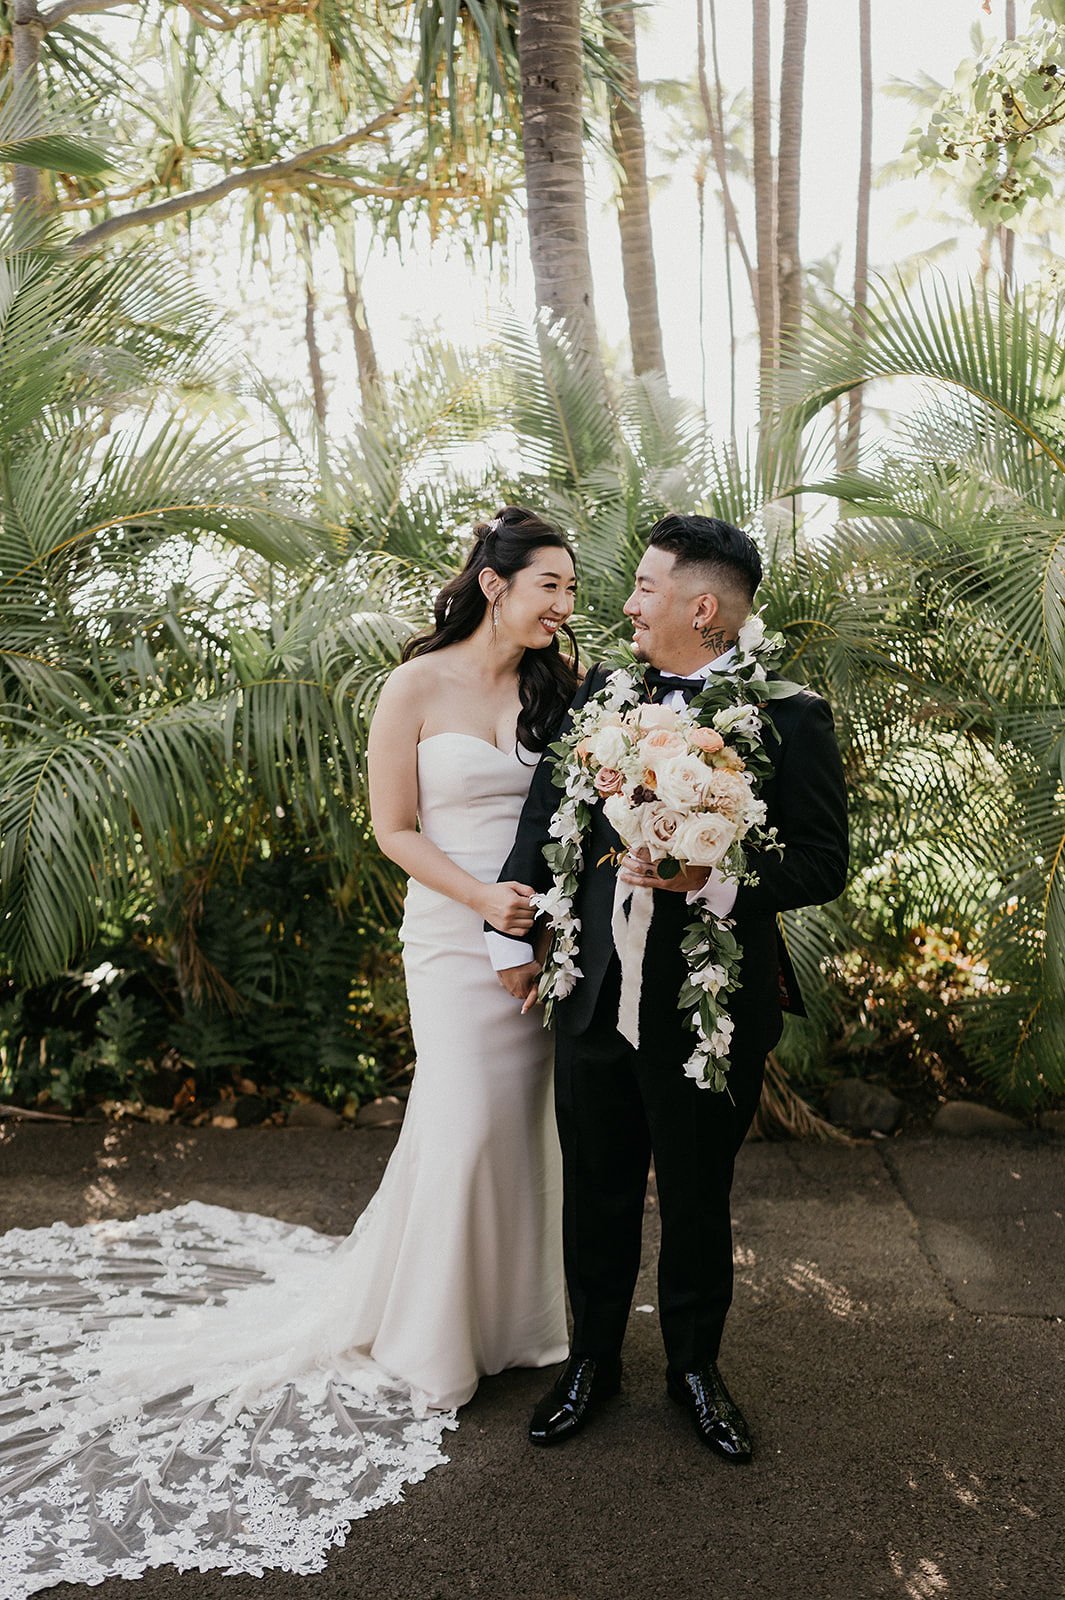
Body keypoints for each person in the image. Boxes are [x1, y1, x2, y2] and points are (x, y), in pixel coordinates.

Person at [0, 506, 578, 1596]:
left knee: (520, 1129)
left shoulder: (562, 690)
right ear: (494, 582)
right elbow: (394, 828)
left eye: (573, 589)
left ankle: (519, 1323)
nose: (564, 604)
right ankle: (431, 1339)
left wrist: (545, 915)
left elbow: (571, 813)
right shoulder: (414, 686)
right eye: (549, 582)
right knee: (458, 1127)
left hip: (541, 942)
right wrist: (483, 904)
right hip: (455, 936)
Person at [489, 514, 849, 1462]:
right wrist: (509, 937)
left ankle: (696, 1369)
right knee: (596, 1190)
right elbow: (543, 815)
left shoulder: (788, 714)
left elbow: (821, 862)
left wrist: (714, 878)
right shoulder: (602, 693)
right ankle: (591, 1365)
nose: (625, 604)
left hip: (709, 1007)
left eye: (644, 588)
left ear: (701, 606)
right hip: (592, 990)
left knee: (697, 1192)